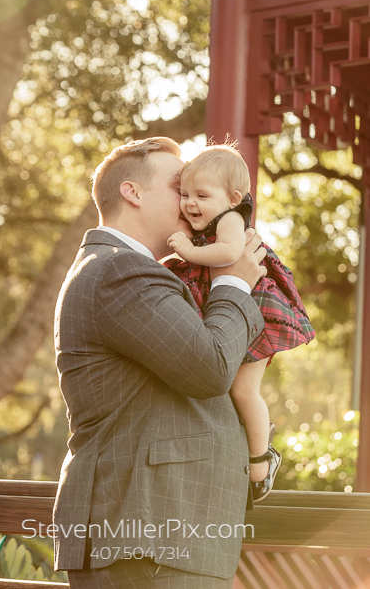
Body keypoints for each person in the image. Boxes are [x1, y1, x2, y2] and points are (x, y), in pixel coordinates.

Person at [53, 136, 267, 589]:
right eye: (179, 187)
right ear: (132, 192)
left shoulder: (122, 268)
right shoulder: (119, 270)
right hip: (150, 534)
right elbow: (209, 367)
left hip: (159, 536)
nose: (191, 201)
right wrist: (235, 284)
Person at [165, 140, 315, 502]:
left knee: (243, 390)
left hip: (258, 309)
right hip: (235, 306)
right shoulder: (207, 222)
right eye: (185, 194)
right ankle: (246, 454)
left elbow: (230, 253)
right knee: (228, 386)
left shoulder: (231, 220)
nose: (190, 203)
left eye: (202, 194)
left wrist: (185, 250)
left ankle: (261, 464)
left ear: (234, 199)